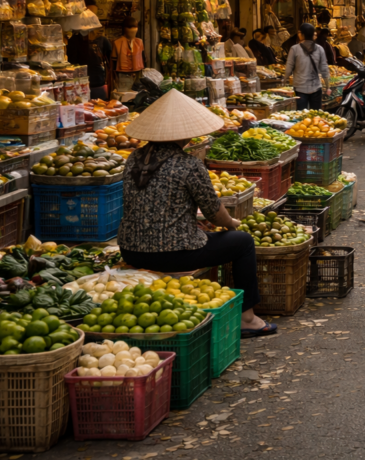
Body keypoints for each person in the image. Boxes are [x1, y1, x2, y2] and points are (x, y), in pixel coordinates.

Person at [117, 90, 276, 338]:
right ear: (185, 134)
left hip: (130, 249)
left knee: (211, 237)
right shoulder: (188, 164)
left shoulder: (134, 158)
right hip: (173, 254)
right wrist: (232, 222)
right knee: (243, 242)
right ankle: (248, 318)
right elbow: (215, 213)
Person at [67, 13, 112, 101]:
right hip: (80, 85)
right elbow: (71, 62)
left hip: (98, 84)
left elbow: (110, 60)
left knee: (99, 110)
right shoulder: (74, 41)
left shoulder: (102, 40)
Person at [286, 22, 329, 110]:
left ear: (302, 34)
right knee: (316, 116)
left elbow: (288, 68)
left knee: (301, 116)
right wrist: (327, 86)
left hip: (300, 88)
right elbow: (324, 69)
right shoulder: (320, 49)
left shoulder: (294, 49)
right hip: (316, 87)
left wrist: (285, 81)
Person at [113, 17, 145, 94]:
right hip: (122, 75)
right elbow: (113, 61)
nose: (133, 30)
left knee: (137, 94)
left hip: (137, 74)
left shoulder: (139, 42)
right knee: (124, 95)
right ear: (124, 28)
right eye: (130, 27)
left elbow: (143, 57)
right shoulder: (117, 43)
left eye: (135, 27)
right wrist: (114, 76)